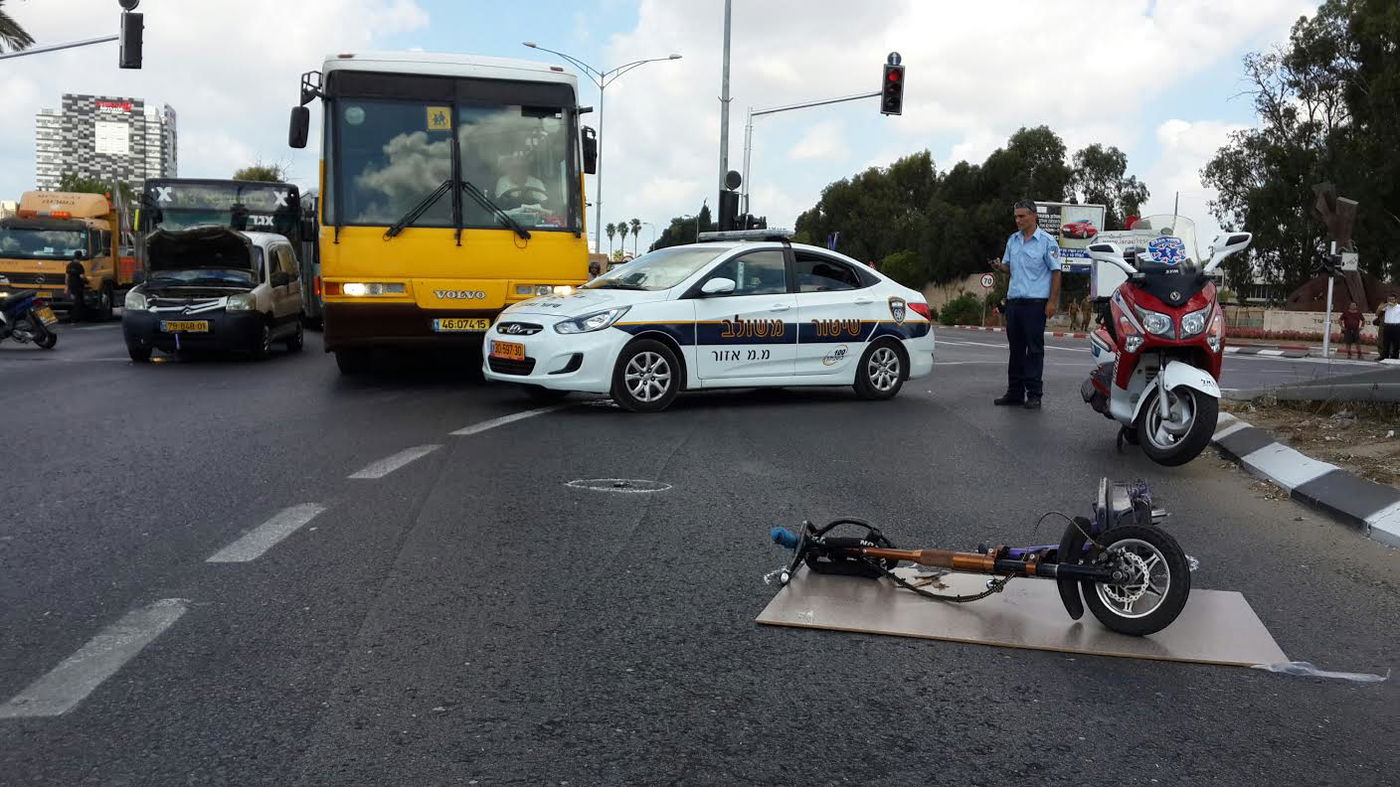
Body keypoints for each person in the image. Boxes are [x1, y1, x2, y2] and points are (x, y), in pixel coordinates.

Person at [987, 200, 1061, 409]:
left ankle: (1034, 394)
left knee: (1034, 350)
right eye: (1016, 217)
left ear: (1034, 215)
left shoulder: (1047, 242)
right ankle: (1015, 392)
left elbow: (1056, 272)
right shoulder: (1013, 240)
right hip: (1014, 302)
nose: (1018, 220)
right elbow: (1010, 268)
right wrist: (999, 266)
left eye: (1022, 216)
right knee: (1016, 350)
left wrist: (1052, 302)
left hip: (1036, 304)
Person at [1384, 294, 1400, 361]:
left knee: (1396, 342)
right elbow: (1378, 311)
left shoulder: (1399, 307)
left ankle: (1395, 356)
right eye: (1389, 299)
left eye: (1392, 299)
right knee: (1386, 342)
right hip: (1387, 326)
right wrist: (1386, 304)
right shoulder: (1386, 307)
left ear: (1395, 299)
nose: (1391, 300)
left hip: (1396, 326)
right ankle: (1385, 356)